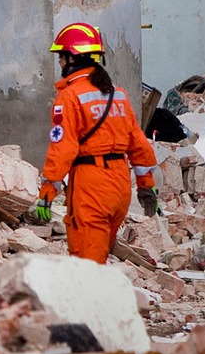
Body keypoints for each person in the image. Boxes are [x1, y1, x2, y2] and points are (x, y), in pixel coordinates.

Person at [33, 22, 160, 264]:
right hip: (120, 186)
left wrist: (47, 193)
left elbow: (63, 150)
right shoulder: (118, 94)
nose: (60, 63)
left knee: (87, 264)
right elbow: (138, 144)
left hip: (91, 186)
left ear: (73, 58)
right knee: (99, 257)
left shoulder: (69, 97)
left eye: (61, 57)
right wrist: (146, 184)